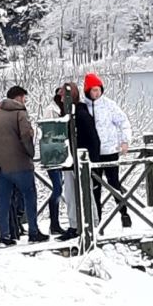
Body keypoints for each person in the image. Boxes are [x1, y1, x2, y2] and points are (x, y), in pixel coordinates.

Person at [0, 86, 49, 246]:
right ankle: (33, 232)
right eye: (24, 97)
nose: (25, 101)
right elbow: (26, 136)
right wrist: (30, 153)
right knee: (29, 196)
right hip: (20, 165)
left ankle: (5, 235)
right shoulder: (20, 113)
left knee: (3, 201)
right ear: (18, 98)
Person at [82, 72, 133, 228]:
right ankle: (97, 221)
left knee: (114, 184)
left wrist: (125, 141)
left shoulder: (109, 105)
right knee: (95, 188)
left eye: (98, 90)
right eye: (93, 90)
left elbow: (123, 122)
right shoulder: (83, 108)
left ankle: (124, 213)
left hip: (110, 151)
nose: (96, 93)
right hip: (93, 154)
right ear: (87, 91)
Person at [55, 82, 98, 241]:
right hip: (69, 160)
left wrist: (92, 161)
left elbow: (93, 138)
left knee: (86, 193)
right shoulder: (66, 113)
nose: (60, 99)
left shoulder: (80, 113)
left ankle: (92, 223)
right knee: (70, 195)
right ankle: (75, 225)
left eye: (63, 97)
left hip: (80, 160)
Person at [43, 87, 66, 235]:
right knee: (57, 188)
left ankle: (55, 224)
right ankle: (54, 223)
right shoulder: (51, 110)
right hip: (52, 153)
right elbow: (50, 132)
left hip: (60, 153)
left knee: (59, 187)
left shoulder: (62, 110)